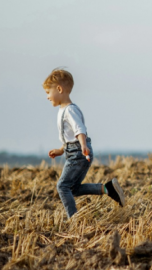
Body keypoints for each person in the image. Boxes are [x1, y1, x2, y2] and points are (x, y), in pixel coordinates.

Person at [44, 68, 125, 218]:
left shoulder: (70, 110)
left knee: (62, 186)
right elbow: (70, 137)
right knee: (72, 189)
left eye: (48, 92)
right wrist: (61, 150)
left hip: (78, 153)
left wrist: (83, 146)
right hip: (74, 151)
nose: (47, 97)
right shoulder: (63, 110)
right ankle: (108, 189)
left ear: (59, 89)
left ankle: (73, 218)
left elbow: (79, 129)